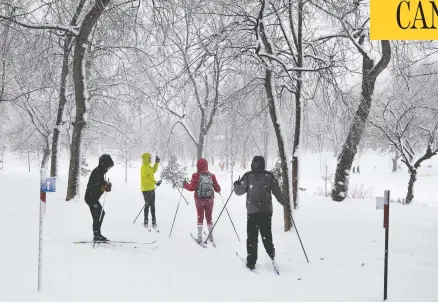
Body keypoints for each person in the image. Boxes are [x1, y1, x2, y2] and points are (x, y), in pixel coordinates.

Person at [233, 156, 284, 270]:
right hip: (266, 211)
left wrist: (236, 185)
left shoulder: (248, 176)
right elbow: (278, 192)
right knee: (266, 234)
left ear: (253, 164)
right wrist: (284, 203)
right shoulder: (269, 176)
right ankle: (271, 253)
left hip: (252, 212)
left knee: (252, 237)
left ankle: (251, 262)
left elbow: (238, 191)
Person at [183, 158, 221, 243]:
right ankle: (211, 237)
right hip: (210, 200)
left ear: (197, 166)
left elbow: (191, 188)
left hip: (199, 200)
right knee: (209, 218)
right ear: (206, 165)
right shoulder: (212, 175)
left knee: (200, 217)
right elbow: (218, 189)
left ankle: (199, 237)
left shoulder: (195, 175)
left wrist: (185, 185)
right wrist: (216, 188)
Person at [85, 154, 114, 242]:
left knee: (99, 214)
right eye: (108, 166)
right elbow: (93, 187)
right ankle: (96, 235)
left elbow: (101, 186)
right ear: (104, 164)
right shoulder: (97, 172)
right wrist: (103, 187)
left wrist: (106, 187)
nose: (108, 169)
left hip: (94, 198)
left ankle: (97, 234)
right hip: (90, 198)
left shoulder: (101, 172)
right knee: (98, 215)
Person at [141, 152, 161, 228]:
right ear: (146, 158)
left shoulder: (149, 166)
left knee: (152, 204)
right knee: (147, 204)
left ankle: (153, 221)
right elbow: (146, 178)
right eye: (149, 157)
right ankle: (146, 220)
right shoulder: (143, 167)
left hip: (152, 188)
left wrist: (156, 163)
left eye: (150, 157)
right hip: (145, 189)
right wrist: (155, 182)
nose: (150, 158)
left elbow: (154, 171)